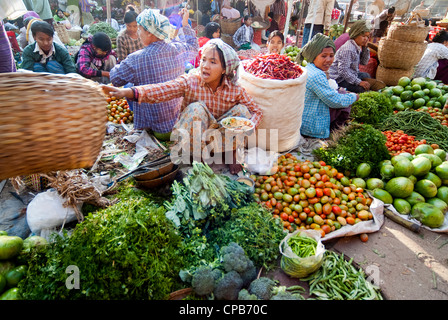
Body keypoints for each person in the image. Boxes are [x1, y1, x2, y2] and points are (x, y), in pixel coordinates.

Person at [102, 39, 262, 174]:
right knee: (196, 109)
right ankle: (198, 158)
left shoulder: (235, 91)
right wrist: (128, 92)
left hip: (218, 137)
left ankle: (231, 152)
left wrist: (250, 126)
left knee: (242, 111)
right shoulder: (191, 81)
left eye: (213, 62)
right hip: (195, 138)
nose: (205, 65)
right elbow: (163, 89)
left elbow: (256, 111)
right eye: (203, 60)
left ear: (225, 70)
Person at [109, 8, 198, 141]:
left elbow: (115, 78)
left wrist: (120, 63)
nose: (138, 33)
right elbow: (194, 46)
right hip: (176, 122)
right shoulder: (178, 49)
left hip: (154, 127)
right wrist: (185, 23)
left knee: (129, 86)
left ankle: (142, 128)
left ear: (150, 33)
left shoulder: (136, 59)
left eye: (140, 29)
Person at [296, 33, 358, 139]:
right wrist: (354, 97)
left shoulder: (309, 68)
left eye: (331, 55)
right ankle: (335, 131)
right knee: (343, 99)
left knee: (341, 93)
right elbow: (334, 101)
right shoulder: (316, 75)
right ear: (313, 56)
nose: (328, 60)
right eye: (323, 56)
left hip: (303, 120)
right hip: (311, 127)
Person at [329, 20, 373, 93]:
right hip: (339, 79)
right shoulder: (349, 49)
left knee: (366, 76)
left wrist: (365, 48)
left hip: (350, 74)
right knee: (361, 89)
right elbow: (343, 70)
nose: (366, 39)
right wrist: (359, 82)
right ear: (356, 34)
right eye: (363, 36)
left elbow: (364, 62)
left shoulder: (357, 46)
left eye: (367, 37)